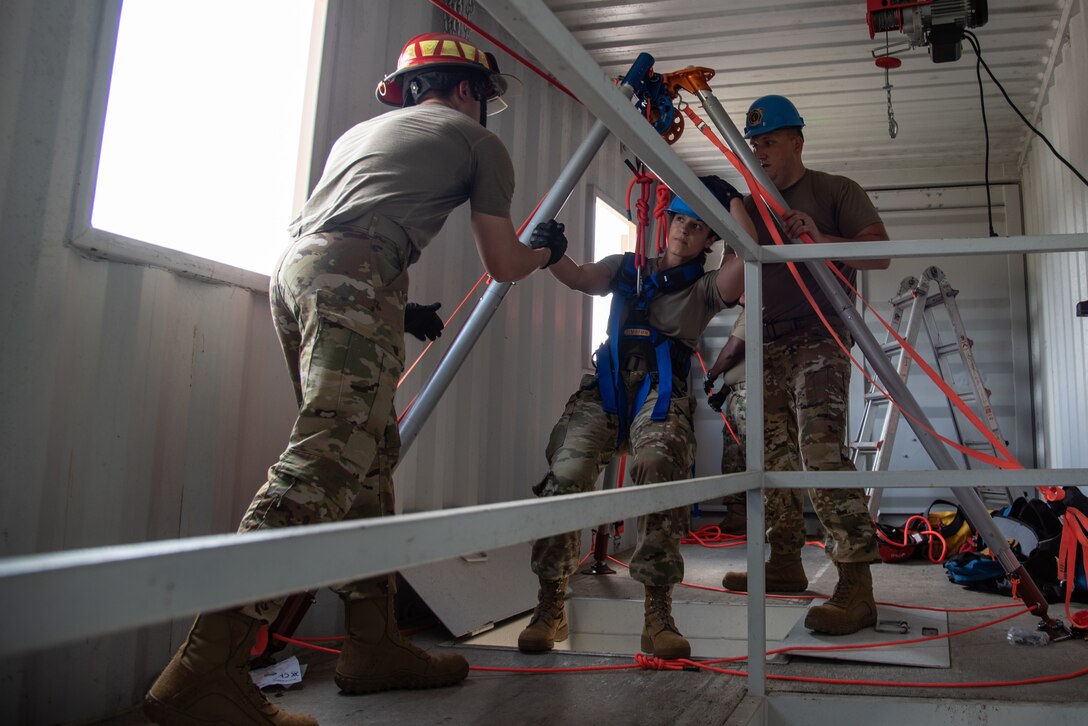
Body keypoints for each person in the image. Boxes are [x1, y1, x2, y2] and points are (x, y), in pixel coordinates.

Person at [144, 33, 567, 725]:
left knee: (366, 462)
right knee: (327, 459)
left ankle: (372, 646)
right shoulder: (476, 140)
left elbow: (346, 224)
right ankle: (203, 669)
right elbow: (502, 264)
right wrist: (544, 252)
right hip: (356, 273)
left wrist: (397, 305)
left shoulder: (366, 133)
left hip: (301, 269)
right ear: (466, 91)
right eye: (482, 96)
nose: (482, 107)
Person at [516, 176, 754, 660]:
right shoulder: (627, 269)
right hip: (606, 389)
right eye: (680, 221)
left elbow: (749, 260)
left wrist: (731, 203)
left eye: (697, 227)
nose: (684, 232)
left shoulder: (707, 288)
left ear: (710, 239)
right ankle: (550, 604)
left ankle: (657, 612)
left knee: (657, 466)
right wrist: (552, 253)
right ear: (666, 223)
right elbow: (581, 277)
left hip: (660, 394)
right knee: (567, 474)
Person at [718, 95, 891, 636]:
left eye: (769, 140)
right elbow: (732, 284)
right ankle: (786, 563)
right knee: (768, 459)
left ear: (797, 139)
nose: (760, 151)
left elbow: (878, 253)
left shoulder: (835, 190)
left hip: (818, 339)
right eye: (754, 144)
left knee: (821, 454)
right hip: (764, 343)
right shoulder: (749, 203)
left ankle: (856, 589)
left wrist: (819, 238)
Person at [703, 307, 748, 535]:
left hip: (750, 396)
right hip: (737, 394)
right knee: (733, 457)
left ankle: (769, 523)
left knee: (755, 457)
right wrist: (723, 391)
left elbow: (732, 351)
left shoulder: (756, 309)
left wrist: (711, 374)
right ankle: (737, 517)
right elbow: (740, 363)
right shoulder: (744, 314)